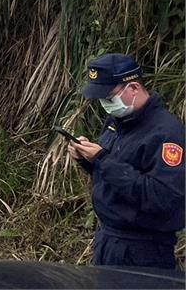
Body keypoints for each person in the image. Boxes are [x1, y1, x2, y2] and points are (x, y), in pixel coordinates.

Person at [68, 53, 185, 269]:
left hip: (143, 250)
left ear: (133, 89)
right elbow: (115, 175)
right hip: (108, 240)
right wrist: (87, 159)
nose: (105, 104)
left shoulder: (167, 134)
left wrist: (102, 159)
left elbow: (162, 197)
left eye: (109, 98)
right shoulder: (118, 123)